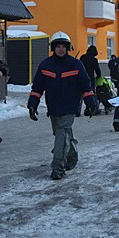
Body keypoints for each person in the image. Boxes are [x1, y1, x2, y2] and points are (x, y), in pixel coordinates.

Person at [27, 31, 97, 180]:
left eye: (63, 46)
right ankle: (72, 157)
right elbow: (37, 87)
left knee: (61, 132)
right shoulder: (45, 65)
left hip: (70, 106)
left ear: (68, 47)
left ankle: (58, 166)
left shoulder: (76, 64)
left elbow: (86, 85)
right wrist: (32, 104)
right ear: (53, 48)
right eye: (57, 46)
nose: (61, 49)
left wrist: (90, 103)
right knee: (62, 134)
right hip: (53, 107)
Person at [79, 45, 102, 115]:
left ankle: (77, 111)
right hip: (90, 78)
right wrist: (98, 76)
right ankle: (93, 108)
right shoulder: (94, 60)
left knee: (80, 95)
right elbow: (97, 70)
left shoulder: (82, 57)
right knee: (91, 93)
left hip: (80, 78)